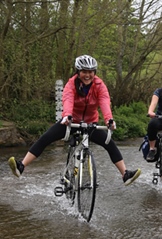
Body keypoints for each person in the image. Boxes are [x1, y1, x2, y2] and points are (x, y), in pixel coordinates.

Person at [8, 55, 141, 186]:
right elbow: (68, 99)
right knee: (46, 138)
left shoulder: (100, 85)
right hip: (70, 121)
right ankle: (22, 166)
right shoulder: (71, 84)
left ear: (94, 72)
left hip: (90, 123)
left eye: (90, 72)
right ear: (78, 72)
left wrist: (109, 120)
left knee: (109, 143)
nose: (87, 75)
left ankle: (125, 174)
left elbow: (104, 102)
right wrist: (67, 115)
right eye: (84, 72)